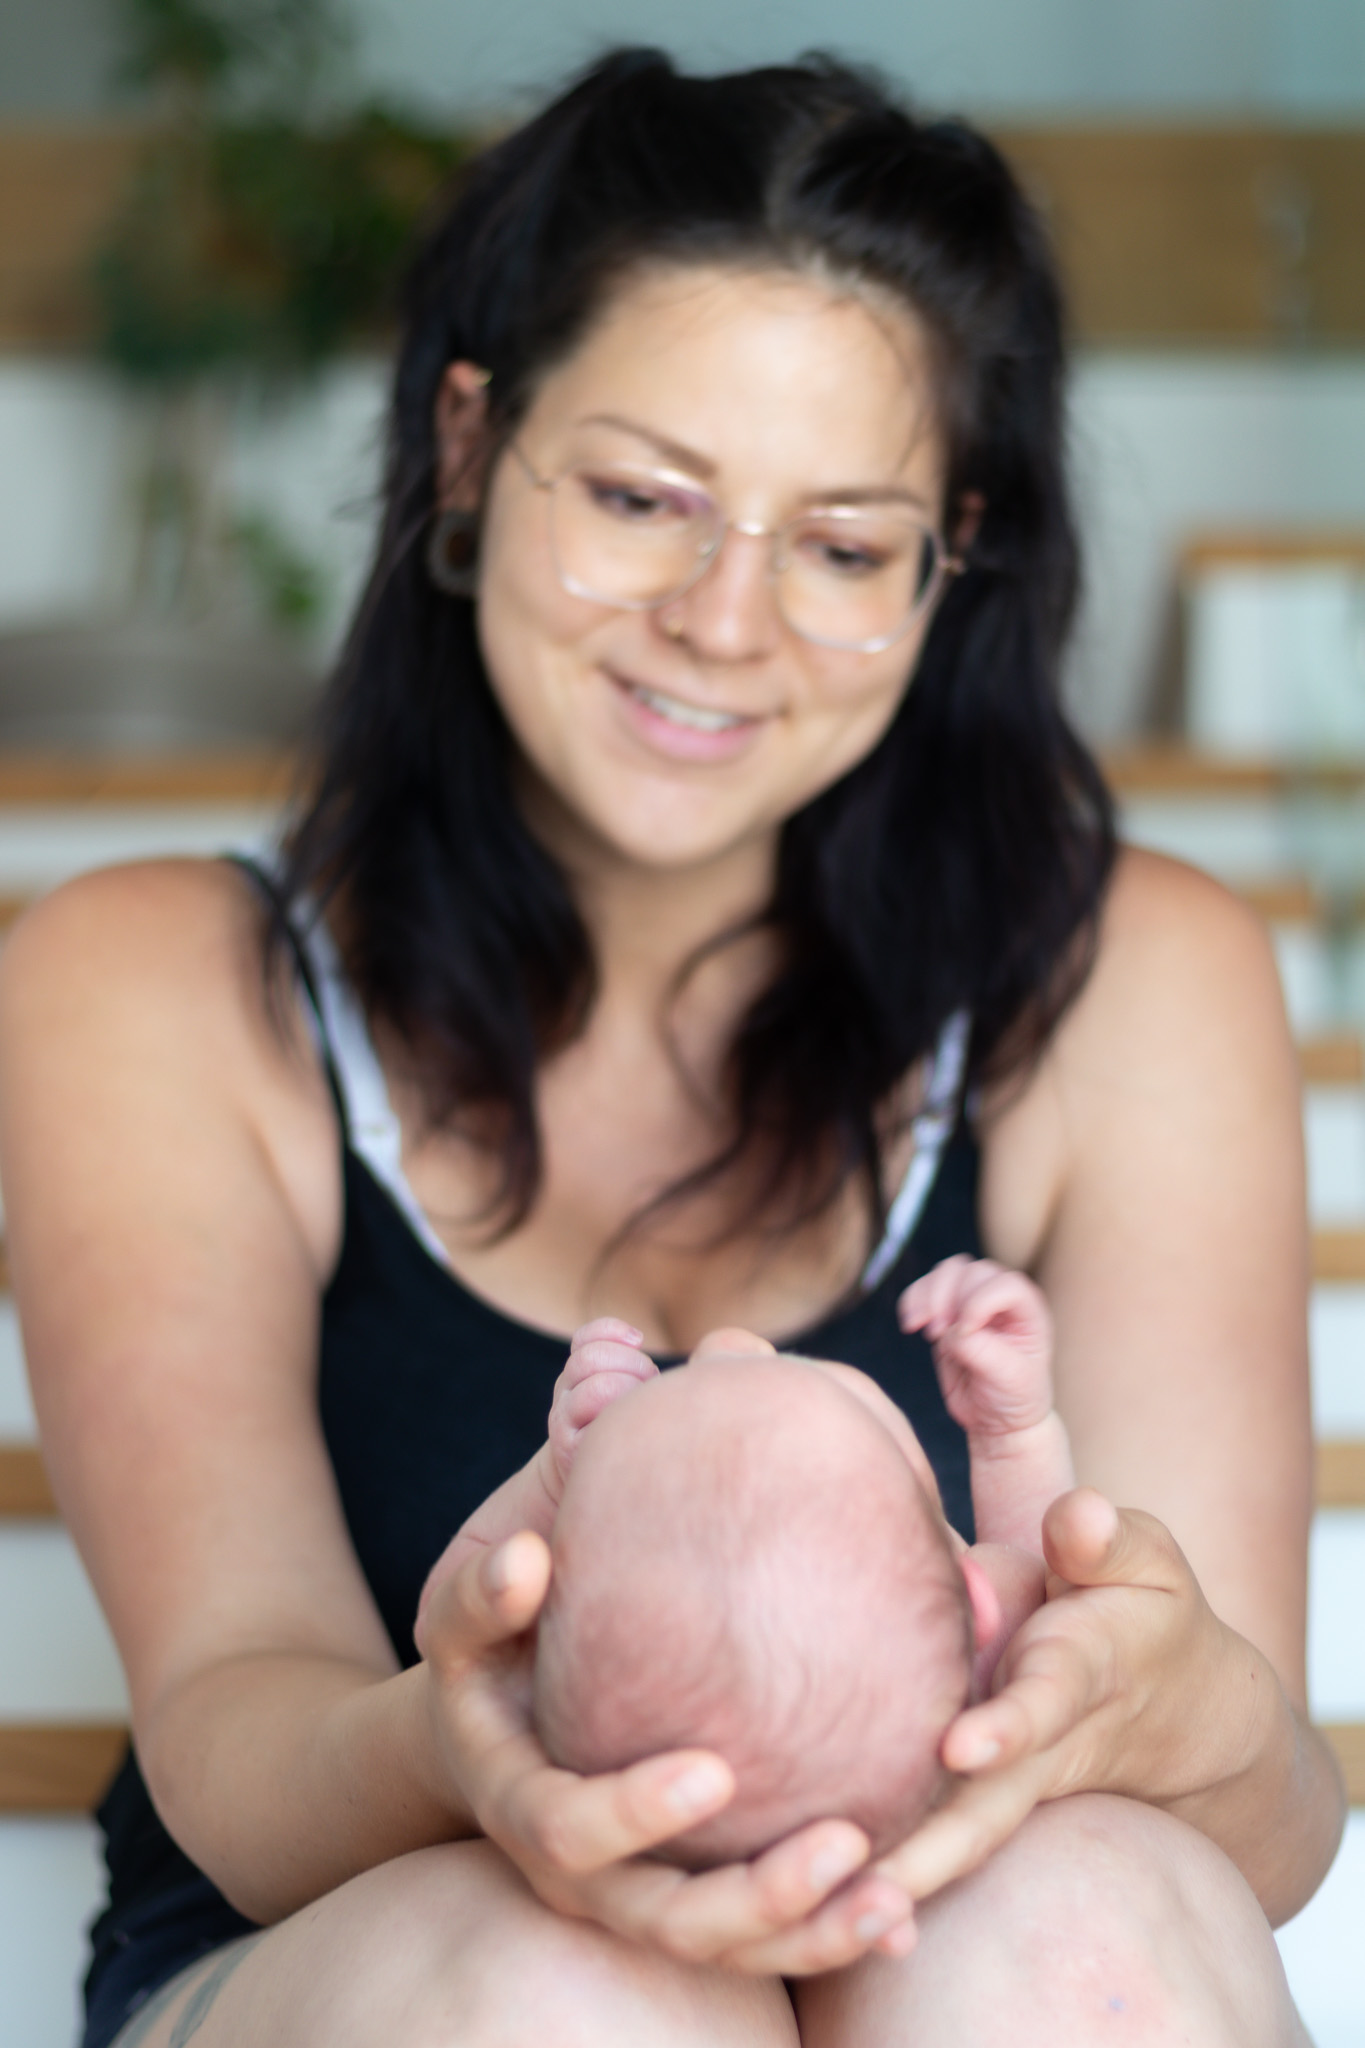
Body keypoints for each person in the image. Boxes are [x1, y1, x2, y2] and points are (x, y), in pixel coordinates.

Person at [0, 46, 1336, 2048]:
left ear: (948, 559)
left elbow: (1268, 1826)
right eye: (640, 499)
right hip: (349, 1954)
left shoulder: (1131, 978)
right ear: (470, 447)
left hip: (953, 1950)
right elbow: (235, 1720)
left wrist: (1179, 1705)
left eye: (842, 545)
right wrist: (467, 1753)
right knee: (569, 1982)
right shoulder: (153, 984)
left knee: (1083, 1923)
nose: (725, 622)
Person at [445, 1257, 1072, 1868]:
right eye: (806, 1378)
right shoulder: (984, 1672)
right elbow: (1058, 1603)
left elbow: (458, 1639)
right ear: (973, 1601)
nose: (727, 1342)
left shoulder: (566, 1771)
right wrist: (1010, 1437)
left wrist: (552, 1484)